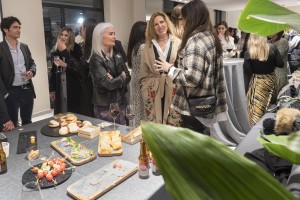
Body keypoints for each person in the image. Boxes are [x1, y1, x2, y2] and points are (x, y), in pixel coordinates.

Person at [155, 0, 227, 130]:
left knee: (192, 146)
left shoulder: (196, 42)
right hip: (206, 102)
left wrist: (170, 69)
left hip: (194, 105)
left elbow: (192, 78)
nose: (181, 23)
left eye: (183, 19)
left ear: (192, 18)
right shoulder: (210, 36)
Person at [140, 12, 181, 124]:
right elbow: (143, 74)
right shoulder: (147, 47)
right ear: (152, 28)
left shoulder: (178, 43)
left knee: (173, 125)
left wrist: (171, 68)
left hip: (173, 89)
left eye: (162, 22)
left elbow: (183, 68)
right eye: (156, 24)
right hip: (153, 90)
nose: (160, 26)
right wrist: (146, 90)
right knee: (155, 127)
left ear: (167, 23)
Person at [89, 22, 131, 125]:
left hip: (121, 101)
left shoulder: (116, 53)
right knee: (109, 135)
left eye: (114, 34)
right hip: (105, 105)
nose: (114, 37)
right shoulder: (95, 59)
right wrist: (121, 77)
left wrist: (115, 79)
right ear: (100, 37)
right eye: (110, 34)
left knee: (123, 131)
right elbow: (109, 84)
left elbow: (128, 76)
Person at [0, 16, 37, 127]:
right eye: (15, 27)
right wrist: (5, 94)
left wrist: (31, 71)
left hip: (27, 90)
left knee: (28, 122)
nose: (18, 30)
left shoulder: (24, 47)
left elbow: (32, 63)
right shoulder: (1, 48)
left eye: (19, 27)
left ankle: (29, 144)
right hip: (11, 92)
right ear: (6, 30)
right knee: (12, 125)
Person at [244, 34, 284, 126]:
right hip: (270, 80)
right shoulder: (273, 48)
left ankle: (256, 132)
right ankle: (270, 127)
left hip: (257, 83)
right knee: (271, 106)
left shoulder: (249, 53)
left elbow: (248, 71)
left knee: (257, 110)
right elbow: (280, 64)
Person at [49, 27, 83, 115]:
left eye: (66, 35)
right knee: (61, 111)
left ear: (70, 37)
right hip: (59, 83)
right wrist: (52, 89)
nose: (63, 37)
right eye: (61, 35)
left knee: (73, 111)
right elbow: (53, 71)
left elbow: (79, 70)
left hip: (73, 85)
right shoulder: (56, 50)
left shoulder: (76, 49)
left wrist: (65, 65)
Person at [127, 21, 147, 128]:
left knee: (136, 112)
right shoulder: (143, 47)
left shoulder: (134, 47)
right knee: (142, 113)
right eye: (147, 30)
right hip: (141, 84)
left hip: (134, 83)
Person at [78, 18, 98, 117]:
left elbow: (83, 67)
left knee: (90, 115)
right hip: (85, 85)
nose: (81, 30)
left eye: (82, 28)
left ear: (86, 29)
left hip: (91, 87)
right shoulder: (83, 45)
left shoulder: (93, 48)